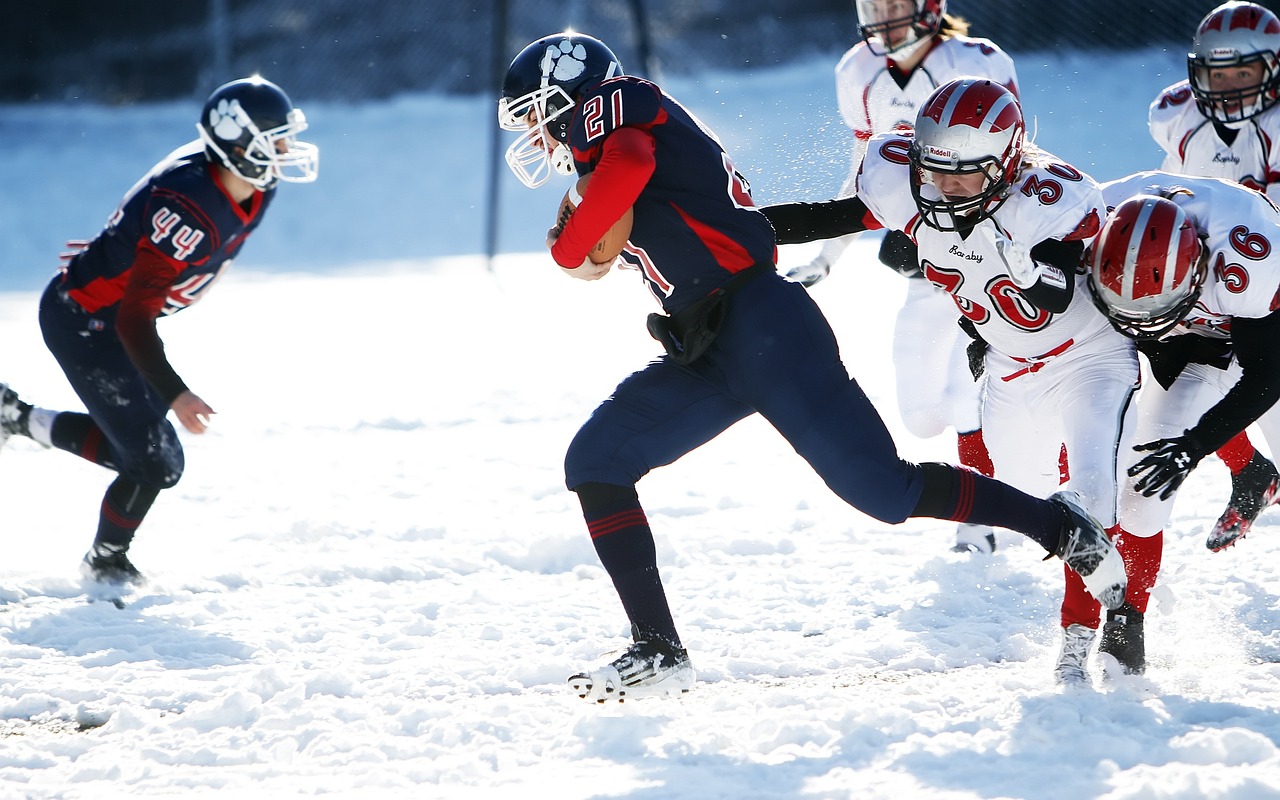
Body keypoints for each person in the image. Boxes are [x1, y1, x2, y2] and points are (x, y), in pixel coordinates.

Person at [498, 32, 1126, 703]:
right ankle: (658, 648)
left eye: (536, 114)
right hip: (703, 345)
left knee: (884, 492)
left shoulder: (618, 107)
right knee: (597, 460)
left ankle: (1059, 526)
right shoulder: (611, 142)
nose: (535, 133)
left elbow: (623, 165)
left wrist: (571, 247)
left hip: (763, 323)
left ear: (567, 95)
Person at [762, 77, 1142, 685]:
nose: (941, 187)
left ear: (1008, 162)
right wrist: (722, 230)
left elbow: (1061, 291)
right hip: (1010, 367)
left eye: (962, 173)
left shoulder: (1053, 198)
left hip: (1087, 357)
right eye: (931, 169)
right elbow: (825, 217)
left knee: (1091, 492)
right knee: (1026, 498)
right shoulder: (906, 180)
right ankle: (1123, 572)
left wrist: (1026, 266)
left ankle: (1082, 637)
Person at [0, 76, 318, 586]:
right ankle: (105, 563)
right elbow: (133, 317)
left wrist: (125, 251)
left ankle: (16, 418)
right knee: (155, 465)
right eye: (274, 140)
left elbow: (149, 224)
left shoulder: (252, 185)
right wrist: (176, 393)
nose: (286, 150)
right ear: (238, 146)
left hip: (115, 315)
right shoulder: (192, 204)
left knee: (148, 456)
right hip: (87, 322)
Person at [783, 0, 1020, 555]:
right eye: (874, 4)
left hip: (982, 261)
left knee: (968, 398)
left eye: (894, 3)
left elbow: (1014, 160)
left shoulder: (977, 59)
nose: (883, 15)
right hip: (920, 264)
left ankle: (982, 522)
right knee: (918, 419)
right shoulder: (857, 70)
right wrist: (827, 256)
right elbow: (865, 177)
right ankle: (1011, 448)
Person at [1083, 171, 1280, 678]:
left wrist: (1192, 447)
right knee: (1137, 488)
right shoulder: (1085, 219)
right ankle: (1128, 622)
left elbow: (1265, 377)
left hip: (1250, 334)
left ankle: (1258, 470)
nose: (1141, 319)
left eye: (1151, 306)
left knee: (1165, 461)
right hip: (1187, 320)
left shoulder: (1249, 261)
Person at [1146, 0, 1280, 551]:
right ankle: (1252, 474)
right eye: (1216, 73)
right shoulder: (1176, 114)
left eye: (1242, 72)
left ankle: (1257, 473)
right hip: (1215, 277)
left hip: (1271, 282)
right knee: (1168, 382)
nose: (1226, 87)